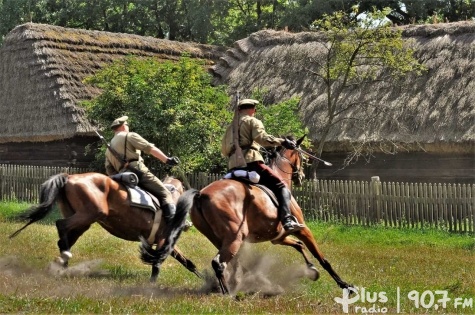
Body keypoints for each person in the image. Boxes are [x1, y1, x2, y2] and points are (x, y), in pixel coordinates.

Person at [221, 99, 304, 232]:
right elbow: (263, 139)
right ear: (252, 109)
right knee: (281, 185)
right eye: (255, 109)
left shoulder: (230, 128)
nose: (255, 112)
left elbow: (224, 151)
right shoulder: (252, 121)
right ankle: (287, 220)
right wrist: (282, 142)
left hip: (233, 166)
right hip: (251, 163)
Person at [105, 116, 180, 224]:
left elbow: (109, 170)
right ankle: (173, 224)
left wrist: (120, 175)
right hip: (138, 171)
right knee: (165, 193)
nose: (128, 127)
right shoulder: (130, 136)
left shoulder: (108, 148)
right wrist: (167, 160)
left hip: (123, 177)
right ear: (122, 126)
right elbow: (150, 148)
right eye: (127, 125)